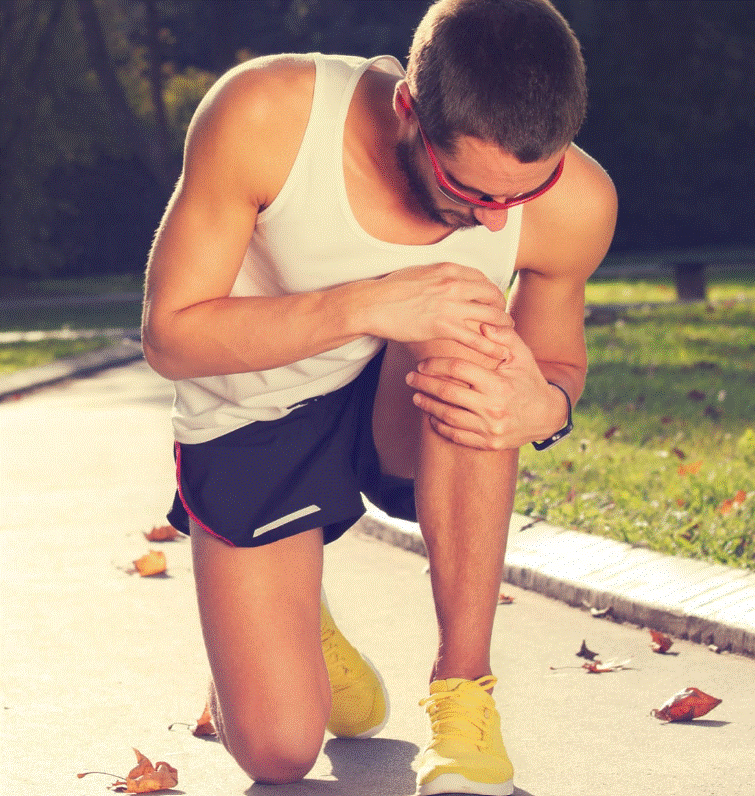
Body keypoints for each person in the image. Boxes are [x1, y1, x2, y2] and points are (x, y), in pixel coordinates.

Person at [142, 0, 617, 792]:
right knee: (279, 751)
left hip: (406, 402)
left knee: (475, 336)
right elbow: (171, 336)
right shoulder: (267, 113)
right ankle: (299, 615)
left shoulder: (575, 203)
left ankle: (462, 698)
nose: (494, 215)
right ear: (407, 109)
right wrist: (367, 302)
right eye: (468, 188)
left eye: (523, 193)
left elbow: (555, 361)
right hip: (251, 411)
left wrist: (548, 408)